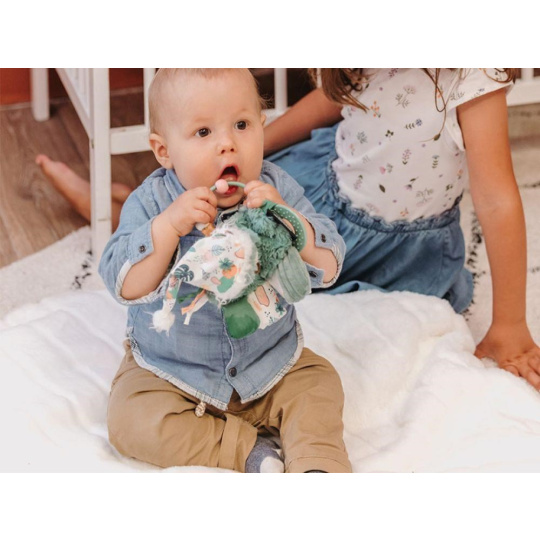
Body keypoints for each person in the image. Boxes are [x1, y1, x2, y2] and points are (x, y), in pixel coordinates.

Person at [36, 68, 540, 392]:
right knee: (199, 211)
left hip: (393, 244)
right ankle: (127, 206)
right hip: (324, 188)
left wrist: (511, 327)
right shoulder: (370, 57)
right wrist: (248, 147)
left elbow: (497, 200)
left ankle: (118, 202)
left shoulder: (470, 76)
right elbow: (324, 105)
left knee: (252, 256)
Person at [97, 68, 351, 473]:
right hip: (173, 374)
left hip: (270, 366)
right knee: (130, 420)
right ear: (164, 151)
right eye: (203, 132)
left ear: (262, 127)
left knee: (320, 383)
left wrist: (290, 221)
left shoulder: (276, 190)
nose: (228, 144)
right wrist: (168, 228)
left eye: (242, 125)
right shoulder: (153, 202)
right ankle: (246, 451)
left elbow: (330, 265)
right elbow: (123, 283)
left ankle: (315, 464)